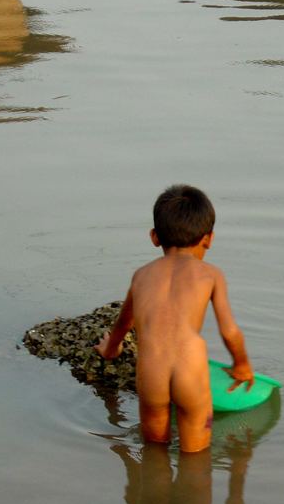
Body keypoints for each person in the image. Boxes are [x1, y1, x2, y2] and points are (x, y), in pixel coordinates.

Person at [95, 184, 254, 452]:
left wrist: (111, 349)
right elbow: (229, 332)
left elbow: (124, 323)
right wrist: (242, 366)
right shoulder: (211, 274)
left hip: (151, 371)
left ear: (155, 237)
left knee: (154, 452)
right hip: (189, 368)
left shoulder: (142, 275)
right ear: (209, 239)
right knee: (196, 460)